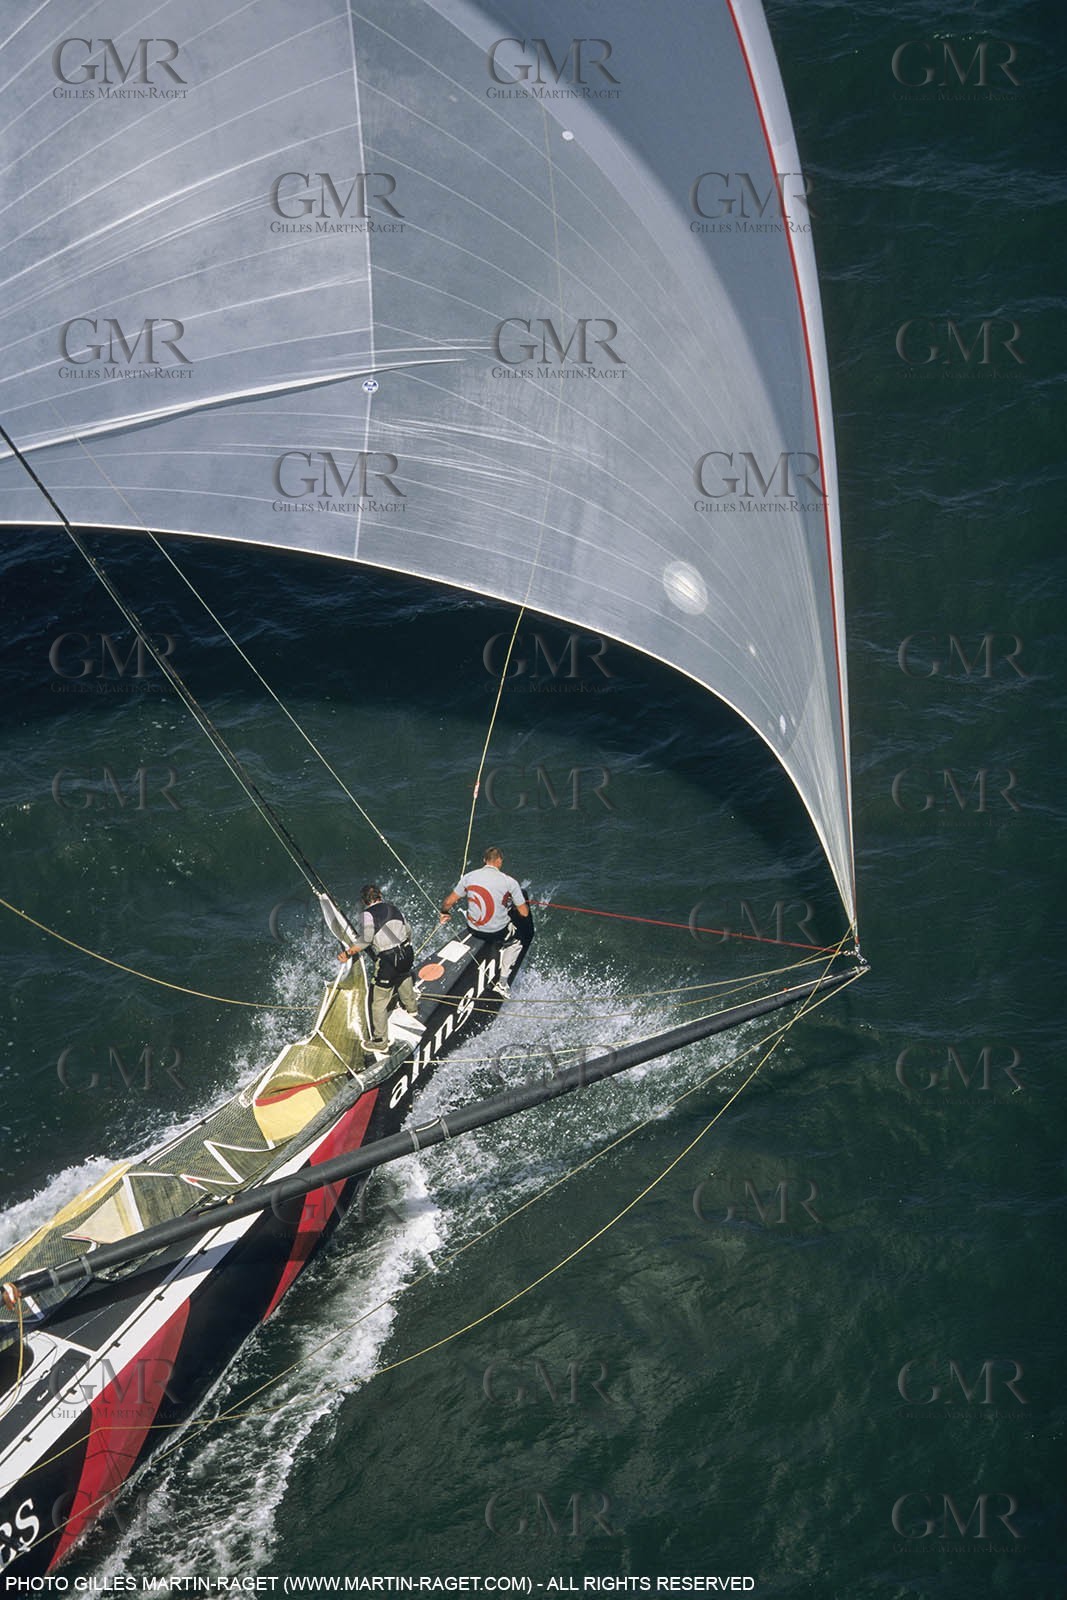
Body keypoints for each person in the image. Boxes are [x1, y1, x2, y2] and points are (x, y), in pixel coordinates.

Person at [339, 885, 419, 1050]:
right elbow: (408, 930)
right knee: (404, 975)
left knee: (379, 1002)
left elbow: (366, 939)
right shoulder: (393, 907)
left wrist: (348, 952)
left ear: (364, 901)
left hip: (389, 960)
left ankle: (380, 1041)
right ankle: (412, 1009)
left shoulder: (367, 915)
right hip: (407, 951)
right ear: (380, 895)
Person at [440, 847, 533, 947]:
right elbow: (524, 913)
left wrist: (444, 913)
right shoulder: (509, 882)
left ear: (484, 860)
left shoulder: (469, 877)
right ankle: (512, 948)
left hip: (473, 930)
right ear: (499, 860)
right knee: (520, 923)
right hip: (498, 933)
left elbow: (448, 902)